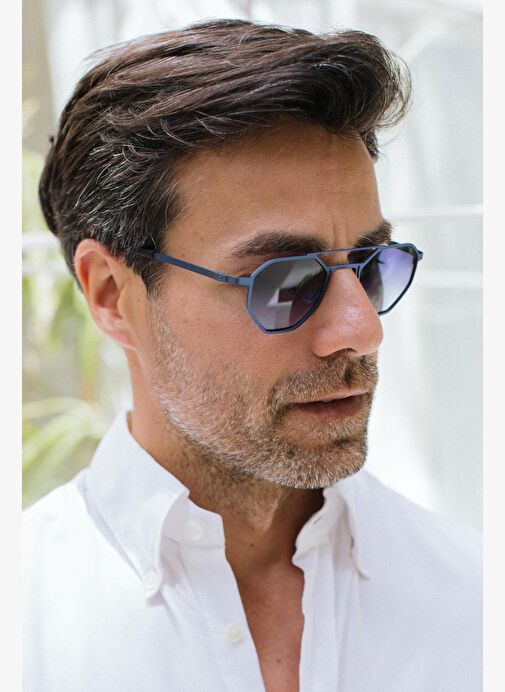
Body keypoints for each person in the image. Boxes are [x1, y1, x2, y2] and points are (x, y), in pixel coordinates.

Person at [23, 18, 481, 692]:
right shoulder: (26, 624)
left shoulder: (471, 604)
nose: (360, 330)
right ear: (112, 295)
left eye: (370, 266)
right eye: (285, 282)